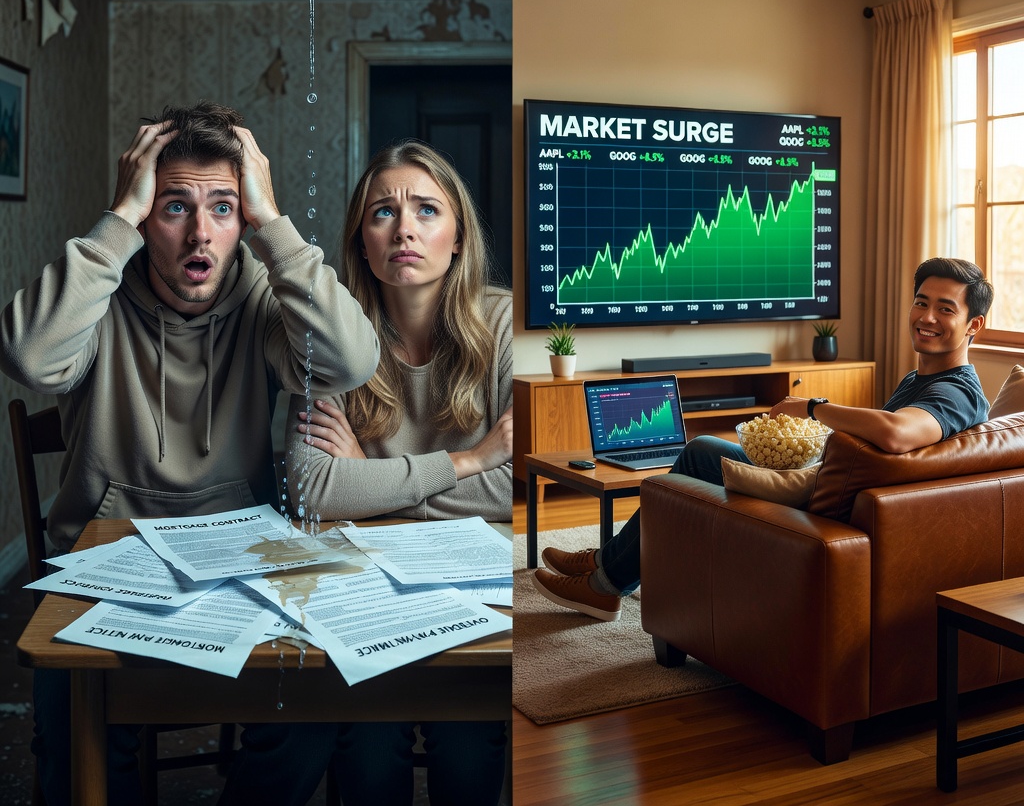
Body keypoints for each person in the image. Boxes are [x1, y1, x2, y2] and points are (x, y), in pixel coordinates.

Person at [0, 101, 380, 806]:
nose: (201, 232)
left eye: (225, 208)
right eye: (174, 207)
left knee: (313, 717)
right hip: (103, 570)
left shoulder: (266, 298)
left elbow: (351, 362)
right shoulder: (98, 296)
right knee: (70, 738)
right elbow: (27, 357)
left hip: (239, 571)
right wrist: (118, 220)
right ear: (144, 215)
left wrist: (274, 226)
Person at [532, 256, 994, 622]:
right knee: (701, 450)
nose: (926, 316)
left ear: (974, 325)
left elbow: (896, 434)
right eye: (921, 301)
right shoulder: (923, 379)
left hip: (825, 507)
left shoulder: (955, 391)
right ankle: (605, 566)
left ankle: (604, 583)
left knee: (698, 453)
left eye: (945, 308)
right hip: (830, 484)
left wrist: (812, 407)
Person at [284, 139, 511, 805]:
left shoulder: (504, 326)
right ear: (360, 240)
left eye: (427, 210)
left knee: (468, 732)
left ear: (459, 237)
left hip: (474, 592)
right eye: (383, 212)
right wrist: (469, 462)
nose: (405, 228)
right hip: (362, 590)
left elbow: (517, 488)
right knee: (365, 735)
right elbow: (311, 490)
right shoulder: (331, 337)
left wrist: (372, 483)